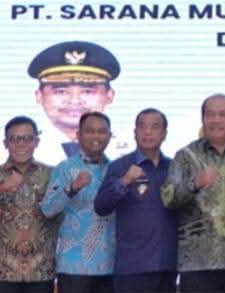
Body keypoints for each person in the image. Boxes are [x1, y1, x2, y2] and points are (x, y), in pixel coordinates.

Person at [161, 94, 225, 292]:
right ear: (203, 119)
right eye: (210, 114)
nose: (216, 120)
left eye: (223, 114)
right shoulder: (186, 156)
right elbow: (168, 199)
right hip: (198, 263)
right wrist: (194, 183)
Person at [94, 108, 178, 293]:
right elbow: (101, 206)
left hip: (167, 265)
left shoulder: (174, 168)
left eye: (154, 127)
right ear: (135, 132)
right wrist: (124, 181)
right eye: (142, 126)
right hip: (133, 267)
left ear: (164, 134)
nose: (147, 132)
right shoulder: (120, 167)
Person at [40, 112, 115, 293]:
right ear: (78, 135)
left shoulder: (116, 170)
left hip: (110, 265)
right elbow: (48, 209)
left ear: (109, 136)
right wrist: (72, 188)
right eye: (90, 131)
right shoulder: (65, 168)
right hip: (73, 267)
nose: (96, 136)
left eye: (101, 131)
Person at [27, 40, 124, 161]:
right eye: (61, 91)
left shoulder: (129, 149)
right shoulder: (21, 148)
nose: (74, 101)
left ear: (109, 96)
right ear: (39, 96)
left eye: (87, 92)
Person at [0, 116, 57, 293]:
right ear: (5, 143)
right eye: (14, 139)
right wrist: (3, 189)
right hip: (3, 272)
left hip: (41, 271)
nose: (21, 144)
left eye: (27, 138)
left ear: (36, 142)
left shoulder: (53, 174)